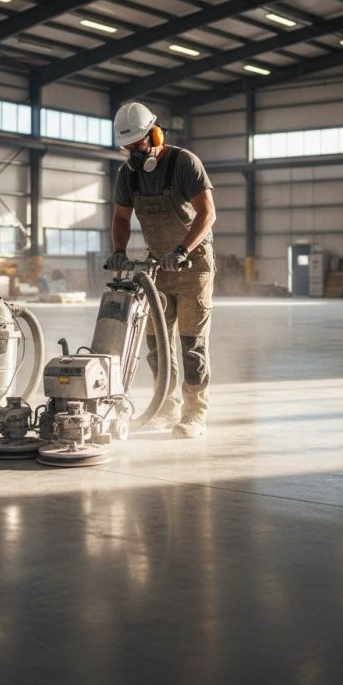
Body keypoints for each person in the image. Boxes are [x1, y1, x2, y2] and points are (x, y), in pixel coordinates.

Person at [107, 101, 216, 438]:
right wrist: (119, 251)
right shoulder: (128, 174)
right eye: (128, 149)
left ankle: (195, 411)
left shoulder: (184, 163)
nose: (134, 155)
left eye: (138, 145)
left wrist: (183, 250)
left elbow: (207, 214)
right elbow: (121, 218)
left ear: (155, 134)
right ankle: (165, 407)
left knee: (191, 344)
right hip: (157, 268)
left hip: (193, 265)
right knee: (157, 346)